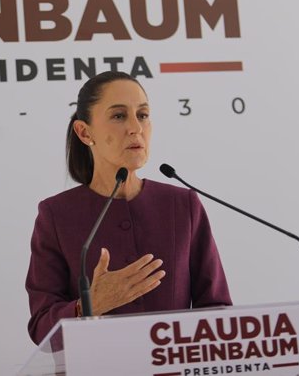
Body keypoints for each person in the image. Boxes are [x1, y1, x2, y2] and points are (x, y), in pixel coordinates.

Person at [25, 71, 231, 345]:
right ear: (85, 132)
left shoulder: (183, 205)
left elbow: (217, 310)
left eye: (143, 115)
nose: (136, 127)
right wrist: (88, 306)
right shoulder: (56, 215)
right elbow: (41, 329)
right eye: (119, 116)